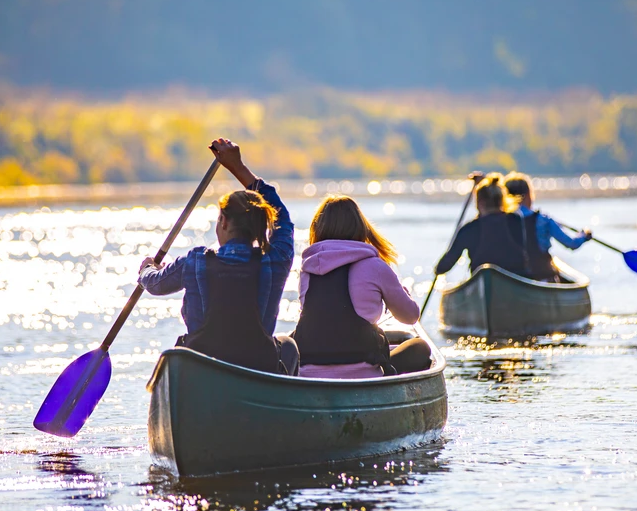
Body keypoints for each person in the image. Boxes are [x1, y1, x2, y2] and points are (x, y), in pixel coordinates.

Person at [137, 138, 299, 374]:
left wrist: (146, 269)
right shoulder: (276, 260)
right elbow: (282, 218)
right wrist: (238, 168)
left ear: (222, 221)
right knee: (289, 346)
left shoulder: (195, 261)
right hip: (257, 366)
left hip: (201, 367)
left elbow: (154, 284)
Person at [293, 195, 432, 375]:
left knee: (287, 341)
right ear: (360, 227)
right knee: (421, 347)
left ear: (318, 229)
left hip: (309, 373)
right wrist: (401, 293)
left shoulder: (307, 270)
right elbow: (410, 317)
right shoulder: (375, 266)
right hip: (364, 373)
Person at [434, 173, 527, 278]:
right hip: (515, 280)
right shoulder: (515, 219)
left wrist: (437, 269)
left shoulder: (469, 229)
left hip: (482, 278)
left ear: (479, 203)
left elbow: (443, 267)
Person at [503, 171, 591, 281]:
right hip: (542, 275)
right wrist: (584, 235)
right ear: (528, 195)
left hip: (513, 277)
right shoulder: (543, 220)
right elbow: (571, 243)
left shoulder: (501, 219)